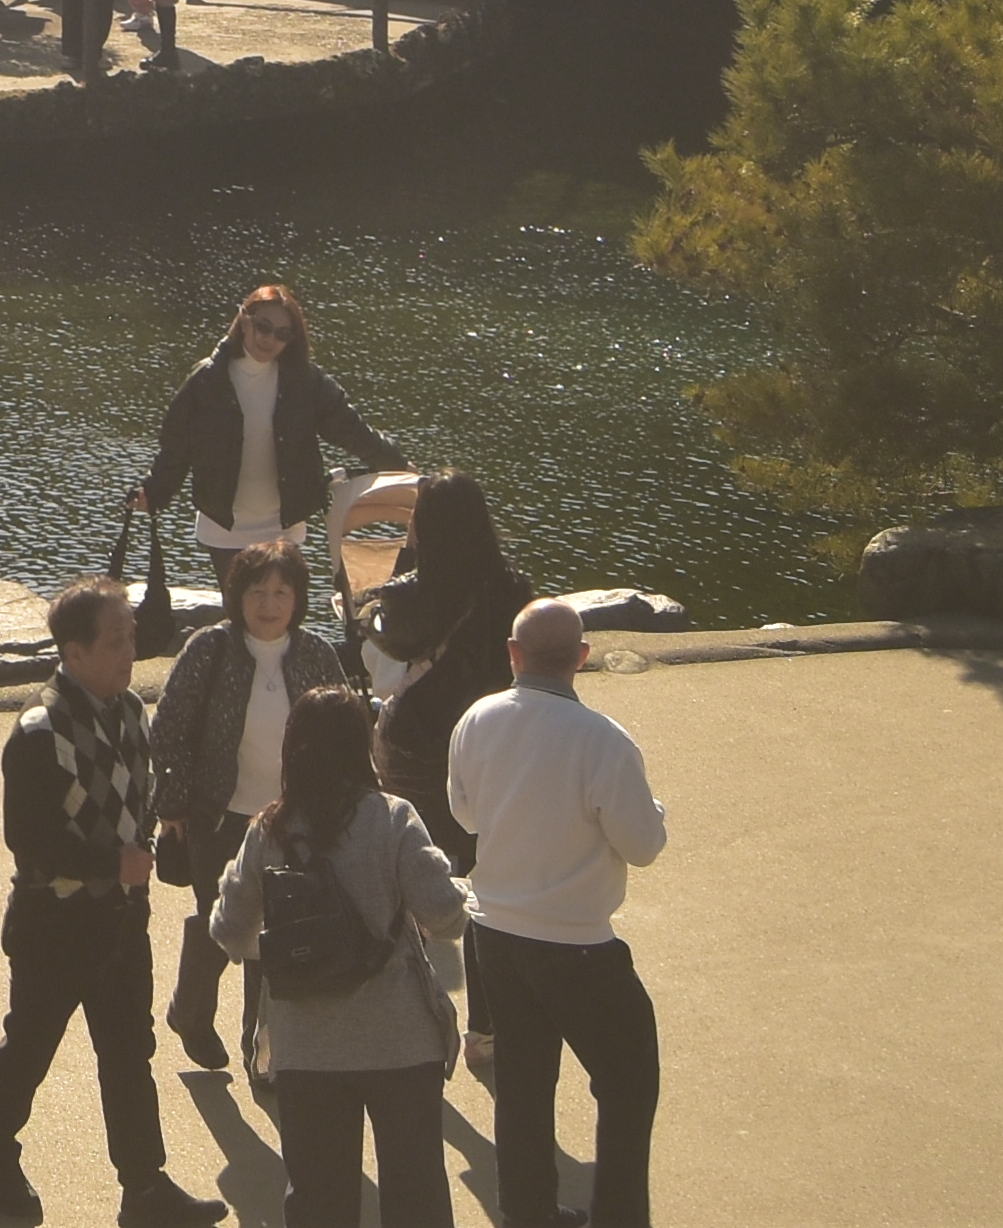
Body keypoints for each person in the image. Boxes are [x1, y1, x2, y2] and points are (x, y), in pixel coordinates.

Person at [0, 580, 209, 1225]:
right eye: (116, 641)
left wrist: (162, 832)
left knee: (130, 1050)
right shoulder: (37, 732)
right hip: (54, 922)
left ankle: (144, 1186)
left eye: (131, 636)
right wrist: (113, 863)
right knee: (31, 1045)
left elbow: (139, 796)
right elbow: (30, 839)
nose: (131, 650)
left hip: (122, 921)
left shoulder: (130, 709)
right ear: (73, 653)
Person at [209, 685, 470, 1228]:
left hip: (306, 1046)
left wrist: (288, 943)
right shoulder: (394, 818)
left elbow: (228, 933)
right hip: (401, 1040)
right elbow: (446, 918)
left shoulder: (268, 828)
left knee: (318, 1203)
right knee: (417, 1196)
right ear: (362, 745)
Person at [446, 603, 666, 1228]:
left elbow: (466, 816)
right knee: (628, 1080)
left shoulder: (476, 720)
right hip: (577, 944)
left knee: (523, 1083)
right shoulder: (604, 740)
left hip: (495, 933)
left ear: (512, 653)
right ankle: (619, 1216)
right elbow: (644, 847)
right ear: (581, 656)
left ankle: (528, 1214)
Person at [153, 539, 346, 1069]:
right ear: (238, 595)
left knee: (279, 933)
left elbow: (346, 733)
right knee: (221, 922)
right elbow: (167, 729)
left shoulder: (316, 653)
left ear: (298, 598)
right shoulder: (208, 649)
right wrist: (169, 803)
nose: (269, 603)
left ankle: (263, 1051)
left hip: (292, 817)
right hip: (218, 814)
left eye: (281, 591)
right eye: (258, 591)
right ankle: (190, 1012)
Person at [130, 284, 403, 639]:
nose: (269, 338)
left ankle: (282, 694)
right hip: (224, 525)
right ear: (243, 321)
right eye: (262, 326)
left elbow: (350, 428)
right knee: (244, 624)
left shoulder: (305, 381)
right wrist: (154, 490)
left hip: (283, 524)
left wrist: (395, 462)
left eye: (282, 333)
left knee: (283, 625)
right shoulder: (207, 379)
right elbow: (176, 447)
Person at [351, 472, 522, 859]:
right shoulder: (512, 587)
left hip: (418, 735)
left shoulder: (411, 592)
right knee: (473, 838)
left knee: (412, 841)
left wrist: (409, 552)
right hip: (489, 731)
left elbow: (393, 640)